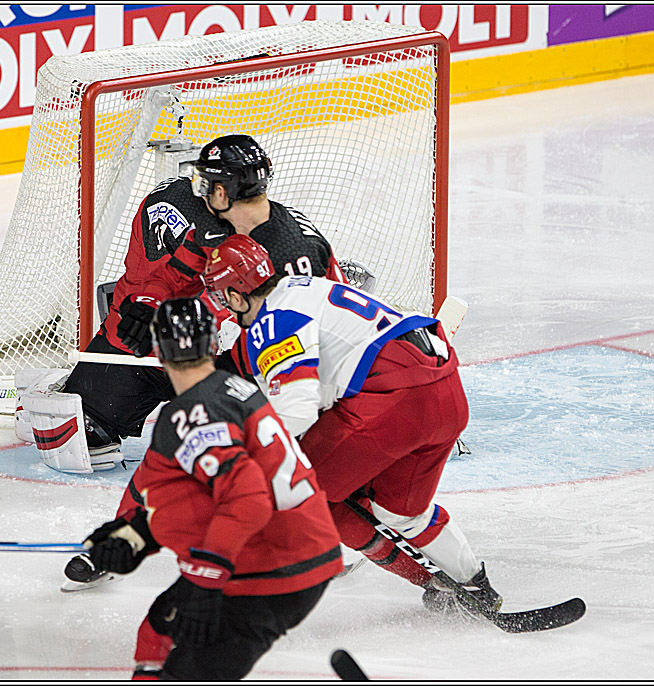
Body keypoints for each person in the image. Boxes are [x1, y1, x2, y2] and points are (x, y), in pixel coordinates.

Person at [198, 235, 501, 615]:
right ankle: (471, 586)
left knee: (298, 494)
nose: (221, 304)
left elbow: (295, 412)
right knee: (403, 513)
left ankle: (241, 602)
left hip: (394, 402)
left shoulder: (273, 321)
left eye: (221, 295)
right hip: (445, 393)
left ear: (238, 295)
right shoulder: (303, 286)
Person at [79, 298, 343, 680]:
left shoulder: (192, 413)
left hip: (273, 569)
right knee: (157, 630)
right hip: (295, 553)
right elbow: (196, 498)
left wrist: (204, 581)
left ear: (158, 351)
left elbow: (247, 499)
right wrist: (137, 535)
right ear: (213, 344)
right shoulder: (231, 387)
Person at [57, 133, 345, 457]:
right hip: (196, 333)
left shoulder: (297, 250)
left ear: (221, 192)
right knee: (83, 427)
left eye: (206, 182)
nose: (199, 187)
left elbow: (330, 329)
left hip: (263, 352)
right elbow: (156, 274)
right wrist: (147, 303)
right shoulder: (186, 206)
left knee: (286, 439)